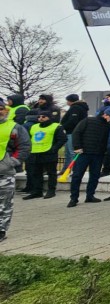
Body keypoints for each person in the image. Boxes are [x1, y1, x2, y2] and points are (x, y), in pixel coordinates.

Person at [68, 109, 110, 207]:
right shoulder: (88, 120)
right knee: (77, 175)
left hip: (98, 154)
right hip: (83, 153)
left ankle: (90, 196)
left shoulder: (108, 126)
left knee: (94, 176)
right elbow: (77, 132)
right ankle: (74, 198)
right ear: (104, 115)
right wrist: (77, 147)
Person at [0, 103, 31, 242]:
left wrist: (12, 162)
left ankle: (1, 229)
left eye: (1, 109)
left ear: (6, 111)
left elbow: (24, 146)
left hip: (4, 172)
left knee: (4, 203)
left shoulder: (14, 127)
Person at [22, 110, 67, 200]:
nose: (40, 118)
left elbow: (62, 139)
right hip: (35, 152)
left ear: (49, 117)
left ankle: (51, 191)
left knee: (51, 173)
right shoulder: (34, 127)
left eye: (43, 117)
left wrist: (53, 149)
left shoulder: (56, 126)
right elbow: (30, 139)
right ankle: (37, 191)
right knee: (36, 173)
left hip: (49, 153)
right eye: (39, 117)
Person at [60, 94, 89, 167]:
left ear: (70, 101)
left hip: (72, 132)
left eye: (67, 101)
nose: (67, 103)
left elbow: (73, 121)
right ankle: (67, 168)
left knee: (71, 151)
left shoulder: (75, 108)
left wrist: (63, 127)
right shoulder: (82, 107)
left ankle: (71, 168)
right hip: (76, 131)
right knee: (69, 151)